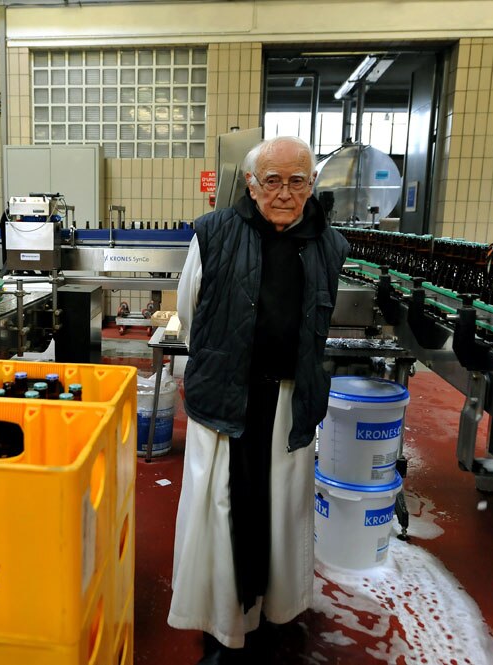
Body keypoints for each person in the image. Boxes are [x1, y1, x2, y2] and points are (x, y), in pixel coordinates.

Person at [168, 135, 349, 663]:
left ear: (311, 185)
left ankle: (271, 617)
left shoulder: (329, 244)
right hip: (226, 399)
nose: (285, 193)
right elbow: (191, 310)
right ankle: (221, 628)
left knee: (279, 515)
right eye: (272, 180)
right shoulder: (215, 233)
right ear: (251, 184)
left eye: (297, 181)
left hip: (288, 401)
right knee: (220, 513)